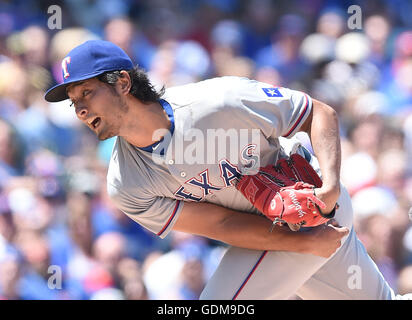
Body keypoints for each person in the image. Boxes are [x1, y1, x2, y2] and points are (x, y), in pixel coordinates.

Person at [45, 40, 407, 300]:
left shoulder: (218, 101)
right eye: (74, 102)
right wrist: (302, 244)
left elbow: (317, 113)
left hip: (314, 210)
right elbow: (221, 225)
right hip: (272, 234)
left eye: (86, 93)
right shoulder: (126, 183)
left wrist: (329, 188)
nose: (79, 109)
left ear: (122, 82)